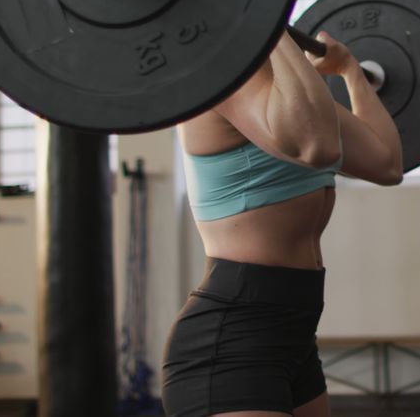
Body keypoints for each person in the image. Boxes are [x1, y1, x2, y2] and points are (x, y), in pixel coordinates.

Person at [161, 30, 403, 417]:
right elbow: (316, 146)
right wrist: (267, 20)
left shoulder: (299, 101)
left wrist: (349, 71)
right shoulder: (223, 77)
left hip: (294, 332)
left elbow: (386, 163)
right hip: (232, 339)